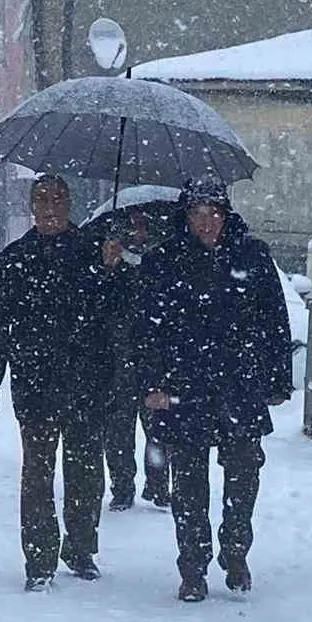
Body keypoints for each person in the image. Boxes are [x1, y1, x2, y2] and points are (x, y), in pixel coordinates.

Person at [134, 177, 293, 602]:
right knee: (188, 484)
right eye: (198, 214)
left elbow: (274, 319)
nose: (207, 223)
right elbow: (145, 330)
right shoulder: (163, 260)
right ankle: (193, 566)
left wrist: (277, 378)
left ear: (226, 214)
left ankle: (236, 549)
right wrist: (151, 384)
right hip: (183, 387)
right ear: (186, 217)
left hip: (239, 385)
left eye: (214, 213)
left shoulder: (252, 256)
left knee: (244, 475)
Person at [0, 173, 109, 592]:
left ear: (69, 204)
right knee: (37, 472)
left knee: (86, 470)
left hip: (87, 380)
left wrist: (112, 271)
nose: (50, 207)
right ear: (32, 207)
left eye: (57, 199)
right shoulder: (14, 259)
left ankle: (81, 546)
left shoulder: (94, 251)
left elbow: (117, 316)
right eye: (42, 199)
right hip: (35, 381)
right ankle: (39, 558)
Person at [96, 209, 170, 512]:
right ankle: (122, 486)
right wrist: (107, 270)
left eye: (144, 226)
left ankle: (158, 486)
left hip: (153, 360)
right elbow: (98, 305)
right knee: (118, 430)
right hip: (117, 358)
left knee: (158, 428)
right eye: (132, 227)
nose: (138, 233)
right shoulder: (111, 260)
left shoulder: (161, 262)